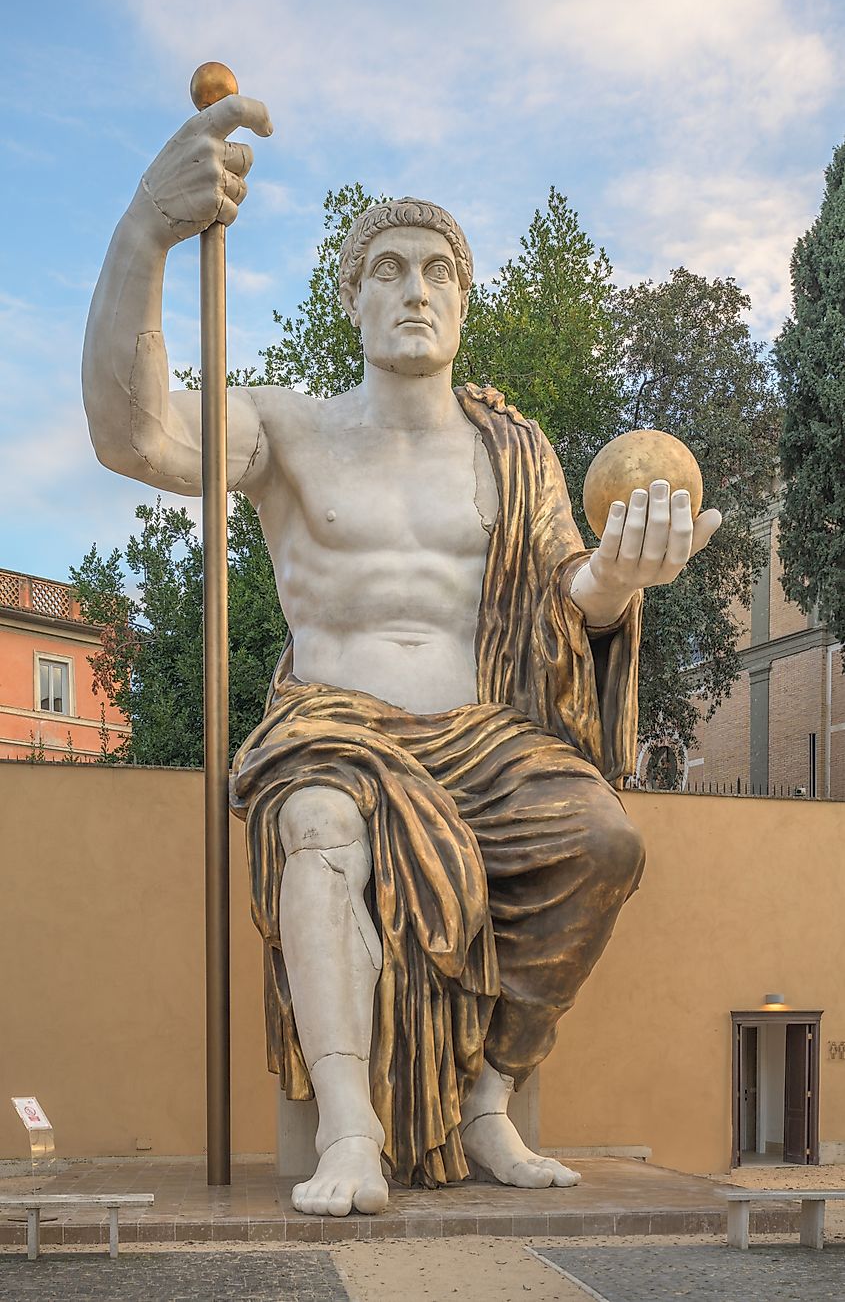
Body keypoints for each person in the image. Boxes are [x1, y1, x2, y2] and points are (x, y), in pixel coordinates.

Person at [83, 95, 722, 1218]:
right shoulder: (284, 426)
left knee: (601, 838)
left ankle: (486, 1102)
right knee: (320, 824)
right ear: (349, 296)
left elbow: (568, 601)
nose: (413, 286)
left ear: (463, 301)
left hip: (483, 740)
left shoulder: (513, 451)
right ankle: (349, 1127)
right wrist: (147, 229)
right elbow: (130, 432)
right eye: (386, 267)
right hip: (330, 727)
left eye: (435, 268)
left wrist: (626, 574)